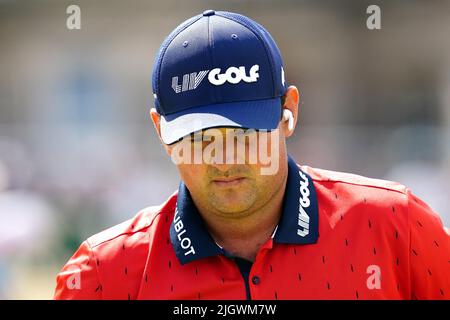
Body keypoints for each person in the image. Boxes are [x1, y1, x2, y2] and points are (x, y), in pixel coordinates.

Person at [54, 10, 449, 300]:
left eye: (244, 133)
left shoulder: (396, 224)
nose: (224, 159)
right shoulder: (103, 272)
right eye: (198, 138)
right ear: (161, 130)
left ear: (288, 111)